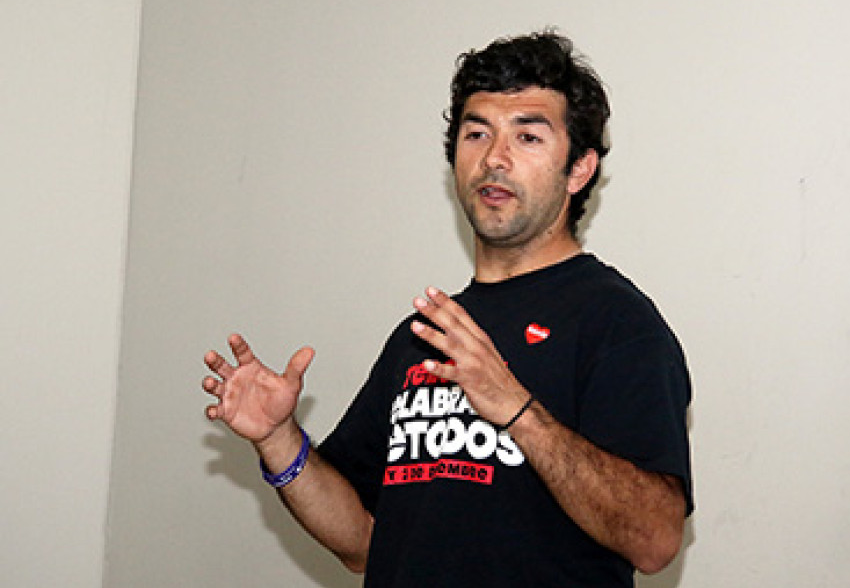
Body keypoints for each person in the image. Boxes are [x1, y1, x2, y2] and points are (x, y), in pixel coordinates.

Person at [202, 31, 693, 587]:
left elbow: (655, 539)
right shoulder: (424, 334)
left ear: (578, 170)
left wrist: (515, 408)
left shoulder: (617, 323)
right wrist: (279, 440)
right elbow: (360, 539)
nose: (494, 158)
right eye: (476, 133)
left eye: (528, 137)